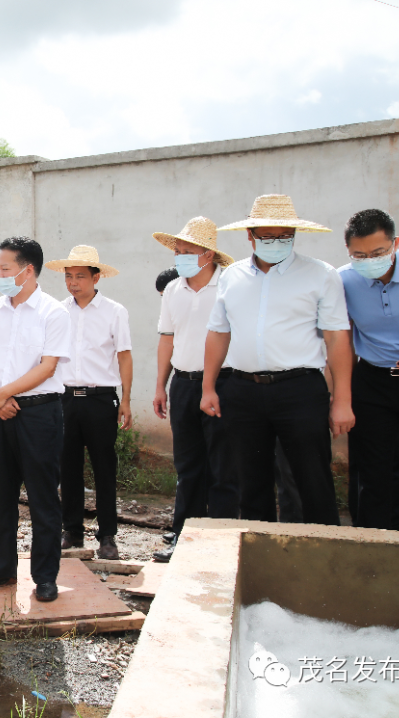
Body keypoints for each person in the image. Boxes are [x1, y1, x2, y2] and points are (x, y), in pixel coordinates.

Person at [201, 194, 352, 526]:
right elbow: (218, 332)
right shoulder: (232, 277)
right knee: (250, 483)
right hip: (243, 390)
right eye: (267, 237)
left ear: (294, 235)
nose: (275, 243)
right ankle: (259, 558)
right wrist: (208, 387)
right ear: (250, 236)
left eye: (284, 237)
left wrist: (342, 400)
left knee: (311, 480)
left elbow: (337, 337)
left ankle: (323, 558)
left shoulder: (320, 275)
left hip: (299, 390)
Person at [0, 237, 69, 603]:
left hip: (39, 413)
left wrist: (0, 394)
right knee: (1, 495)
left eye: (4, 269)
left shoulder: (53, 312)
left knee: (43, 497)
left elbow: (48, 366)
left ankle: (45, 577)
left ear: (27, 271)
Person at [338, 209, 399, 534]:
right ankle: (373, 544)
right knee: (372, 471)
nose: (370, 260)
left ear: (395, 243)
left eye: (378, 253)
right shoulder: (344, 279)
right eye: (360, 255)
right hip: (373, 383)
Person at [150, 219, 234, 562]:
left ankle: (223, 540)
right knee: (188, 466)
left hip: (224, 384)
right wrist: (160, 385)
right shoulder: (173, 290)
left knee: (224, 466)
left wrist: (213, 386)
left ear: (208, 254)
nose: (180, 258)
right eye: (177, 252)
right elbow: (167, 339)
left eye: (187, 252)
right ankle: (184, 537)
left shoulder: (229, 286)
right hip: (182, 383)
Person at [46, 245, 132, 561]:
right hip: (65, 399)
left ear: (96, 277)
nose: (73, 282)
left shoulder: (114, 312)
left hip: (101, 399)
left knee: (104, 467)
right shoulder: (57, 311)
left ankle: (108, 535)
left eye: (80, 276)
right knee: (68, 468)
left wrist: (126, 400)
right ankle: (72, 531)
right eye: (68, 277)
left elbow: (124, 356)